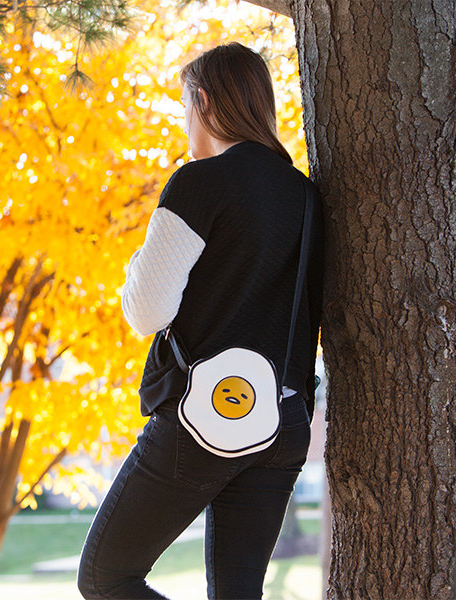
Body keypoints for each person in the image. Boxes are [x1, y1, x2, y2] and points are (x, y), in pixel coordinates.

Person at [77, 42, 324, 600]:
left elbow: (147, 311)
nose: (185, 118)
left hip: (208, 416)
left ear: (205, 102)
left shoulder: (199, 182)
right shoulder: (307, 197)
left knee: (105, 577)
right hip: (284, 423)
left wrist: (142, 256)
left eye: (185, 104)